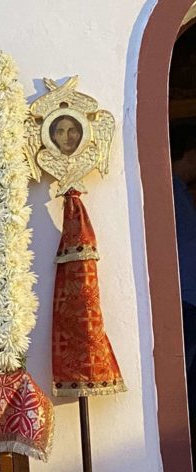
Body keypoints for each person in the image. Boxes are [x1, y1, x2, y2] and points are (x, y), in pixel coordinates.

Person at [170, 123, 196, 460]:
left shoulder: (177, 191)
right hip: (187, 298)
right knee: (184, 378)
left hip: (187, 295)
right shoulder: (172, 190)